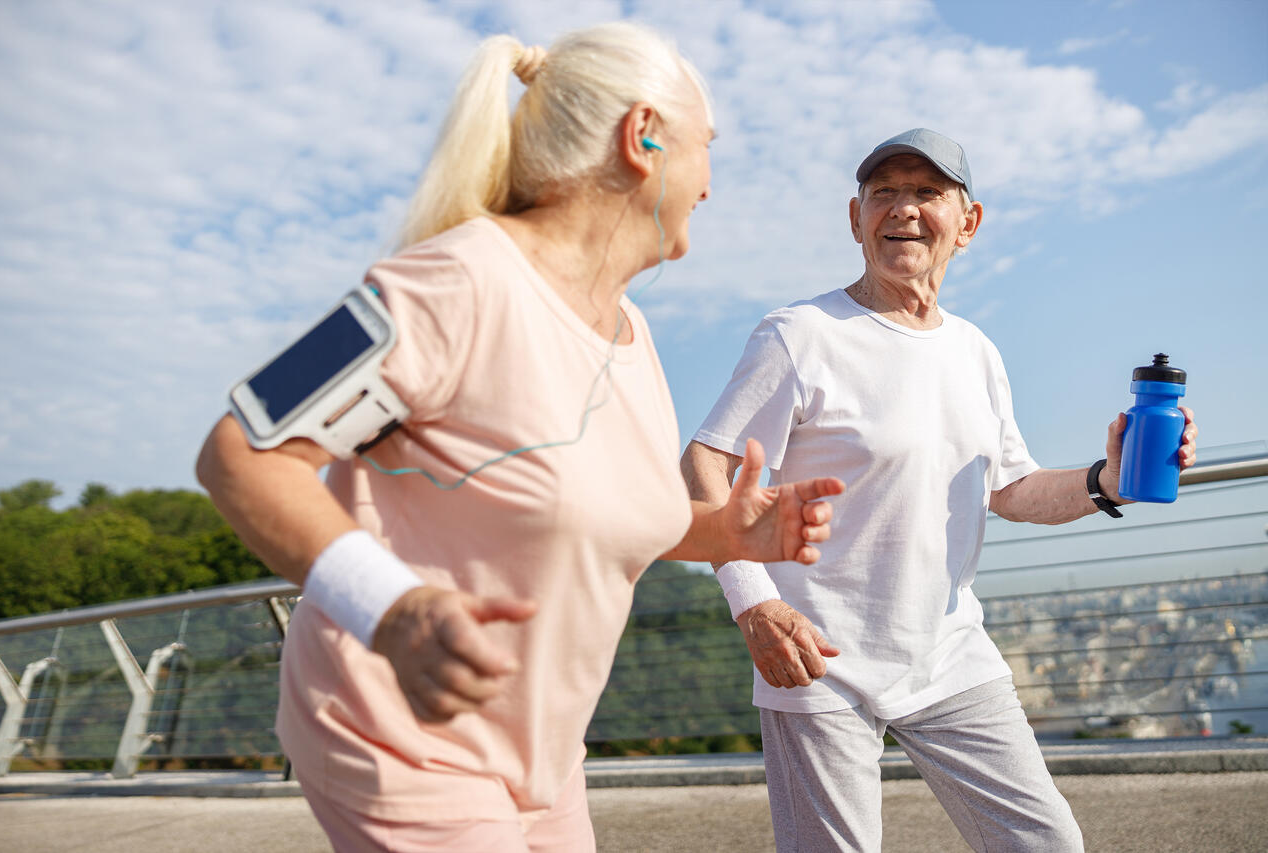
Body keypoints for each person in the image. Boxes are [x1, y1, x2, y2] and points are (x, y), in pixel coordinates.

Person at [196, 23, 842, 853]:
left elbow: (587, 509)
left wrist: (724, 531)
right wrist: (393, 612)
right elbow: (240, 448)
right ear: (644, 137)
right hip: (398, 736)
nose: (711, 186)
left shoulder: (633, 336)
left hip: (543, 762)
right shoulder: (449, 281)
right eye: (705, 148)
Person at [681, 128, 1199, 853]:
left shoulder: (976, 352)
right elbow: (707, 462)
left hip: (949, 654)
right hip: (819, 660)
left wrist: (1108, 478)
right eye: (884, 192)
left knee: (1047, 842)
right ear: (855, 217)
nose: (904, 209)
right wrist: (754, 601)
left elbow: (1012, 488)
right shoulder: (799, 335)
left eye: (927, 193)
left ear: (968, 222)